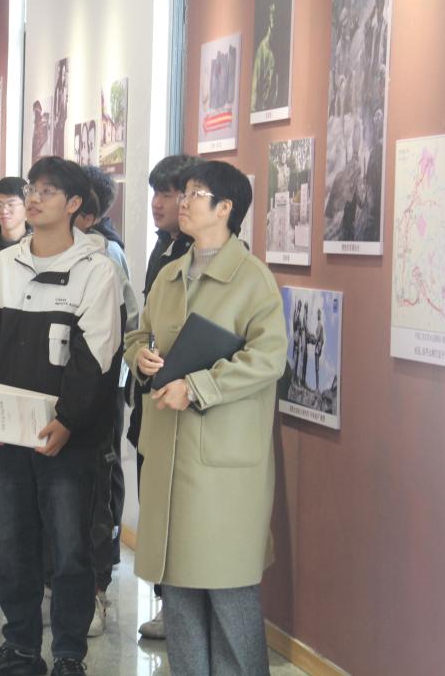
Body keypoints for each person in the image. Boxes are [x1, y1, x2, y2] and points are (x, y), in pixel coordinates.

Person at [123, 160, 287, 675]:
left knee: (228, 587)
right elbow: (139, 332)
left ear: (224, 208)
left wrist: (198, 387)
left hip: (221, 464)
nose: (183, 202)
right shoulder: (170, 273)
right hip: (168, 452)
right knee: (178, 588)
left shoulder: (253, 280)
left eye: (195, 194)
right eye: (185, 193)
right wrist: (140, 355)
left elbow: (268, 358)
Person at [0, 156, 123, 676]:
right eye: (32, 188)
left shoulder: (96, 270)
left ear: (74, 204)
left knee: (70, 550)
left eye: (48, 191)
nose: (34, 198)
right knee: (10, 546)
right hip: (6, 434)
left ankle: (70, 654)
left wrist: (69, 421)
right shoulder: (1, 267)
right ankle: (22, 647)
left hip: (66, 439)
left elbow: (97, 358)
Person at [129, 153, 202, 640]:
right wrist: (138, 355)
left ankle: (180, 608)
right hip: (151, 397)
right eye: (156, 193)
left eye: (170, 194)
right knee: (153, 503)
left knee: (182, 511)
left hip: (185, 401)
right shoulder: (163, 248)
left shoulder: (202, 256)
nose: (159, 203)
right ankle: (165, 602)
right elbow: (145, 326)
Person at [76, 166, 139, 638]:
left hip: (100, 391)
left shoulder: (106, 253)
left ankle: (97, 588)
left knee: (98, 488)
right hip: (57, 391)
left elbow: (126, 326)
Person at [313, 307, 326, 393]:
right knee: (316, 368)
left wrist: (314, 339)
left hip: (317, 349)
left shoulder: (320, 325)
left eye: (319, 314)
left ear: (320, 315)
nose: (318, 315)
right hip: (316, 349)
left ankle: (317, 387)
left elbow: (320, 338)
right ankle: (317, 386)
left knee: (317, 368)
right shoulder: (318, 324)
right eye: (317, 314)